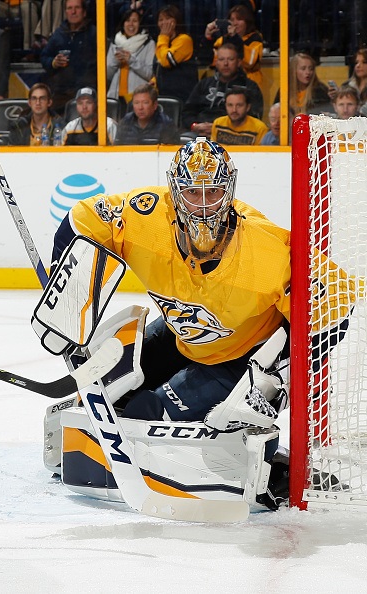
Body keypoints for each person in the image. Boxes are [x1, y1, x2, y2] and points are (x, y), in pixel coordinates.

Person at [50, 137, 357, 509]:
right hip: (180, 335)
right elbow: (80, 219)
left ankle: (273, 467)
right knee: (104, 390)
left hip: (239, 357)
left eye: (213, 192)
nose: (204, 205)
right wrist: (65, 299)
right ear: (174, 190)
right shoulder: (145, 216)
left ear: (229, 190)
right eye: (193, 193)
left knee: (145, 414)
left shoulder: (265, 252)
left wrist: (277, 374)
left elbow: (337, 304)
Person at [181, 43, 263, 139]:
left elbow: (254, 118)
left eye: (230, 59)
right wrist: (195, 126)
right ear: (216, 62)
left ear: (239, 62)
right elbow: (187, 112)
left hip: (234, 136)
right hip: (200, 132)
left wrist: (220, 128)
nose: (225, 64)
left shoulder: (249, 87)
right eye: (221, 59)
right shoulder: (204, 83)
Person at [40, 0, 97, 114]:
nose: (73, 12)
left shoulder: (94, 33)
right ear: (65, 12)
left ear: (84, 12)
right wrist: (53, 62)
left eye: (77, 8)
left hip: (87, 92)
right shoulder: (59, 33)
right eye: (69, 8)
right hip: (62, 92)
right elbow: (44, 57)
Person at [202, 4, 263, 89]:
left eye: (239, 19)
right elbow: (210, 60)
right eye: (232, 20)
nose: (235, 23)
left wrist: (235, 38)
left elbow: (250, 62)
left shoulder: (255, 38)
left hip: (248, 86)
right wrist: (208, 38)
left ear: (247, 22)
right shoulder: (223, 39)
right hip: (226, 86)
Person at [107, 9, 155, 109]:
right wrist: (115, 61)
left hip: (137, 99)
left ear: (140, 23)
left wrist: (131, 60)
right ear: (123, 23)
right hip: (115, 97)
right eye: (128, 20)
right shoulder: (115, 43)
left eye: (135, 21)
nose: (131, 24)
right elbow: (107, 74)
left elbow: (149, 74)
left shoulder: (149, 43)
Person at [151, 4, 198, 104]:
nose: (164, 23)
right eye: (160, 20)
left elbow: (167, 61)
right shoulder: (163, 42)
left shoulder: (184, 40)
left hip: (182, 99)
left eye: (168, 18)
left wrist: (163, 37)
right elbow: (159, 66)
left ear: (176, 21)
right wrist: (155, 81)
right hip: (164, 97)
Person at [114, 82, 180, 145]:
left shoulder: (166, 125)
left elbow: (172, 151)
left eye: (145, 102)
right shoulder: (125, 122)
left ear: (155, 105)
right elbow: (117, 149)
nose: (140, 107)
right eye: (136, 103)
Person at [274, 52, 331, 116]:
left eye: (311, 69)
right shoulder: (285, 89)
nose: (308, 72)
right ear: (294, 71)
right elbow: (275, 112)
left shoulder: (320, 90)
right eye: (303, 68)